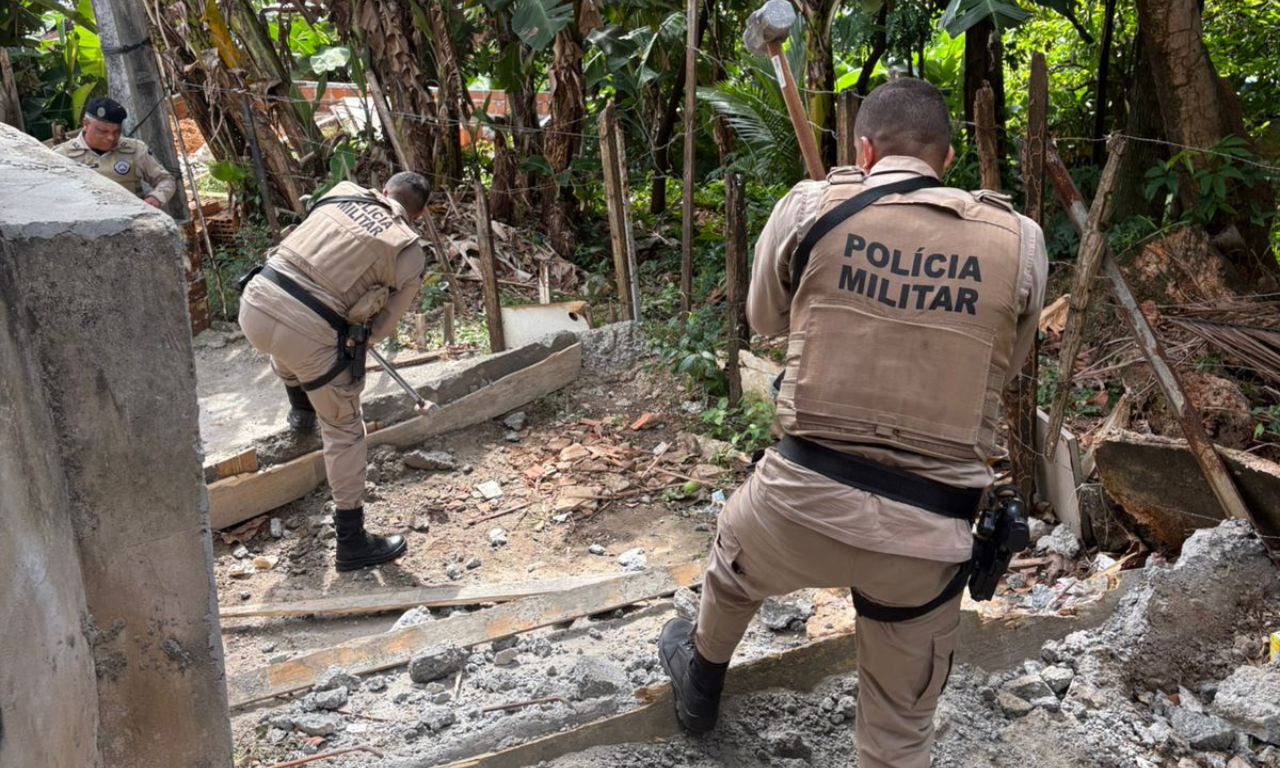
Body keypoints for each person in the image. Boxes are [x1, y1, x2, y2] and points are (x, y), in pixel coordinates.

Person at [658, 78, 1048, 768]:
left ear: (864, 149)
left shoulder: (812, 206)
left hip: (796, 509)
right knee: (900, 736)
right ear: (949, 158)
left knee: (732, 566)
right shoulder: (1021, 242)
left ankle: (701, 682)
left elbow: (765, 320)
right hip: (926, 541)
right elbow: (1005, 365)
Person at [239, 172, 434, 572]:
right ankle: (352, 541)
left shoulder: (342, 192)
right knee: (344, 427)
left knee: (291, 350)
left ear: (384, 191)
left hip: (255, 304)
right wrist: (349, 355)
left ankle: (301, 410)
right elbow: (382, 325)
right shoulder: (410, 253)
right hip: (306, 335)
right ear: (420, 214)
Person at [52, 97, 176, 208]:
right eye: (103, 131)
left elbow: (166, 180)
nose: (111, 137)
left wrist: (155, 198)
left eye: (116, 132)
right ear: (86, 124)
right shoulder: (61, 156)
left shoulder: (135, 150)